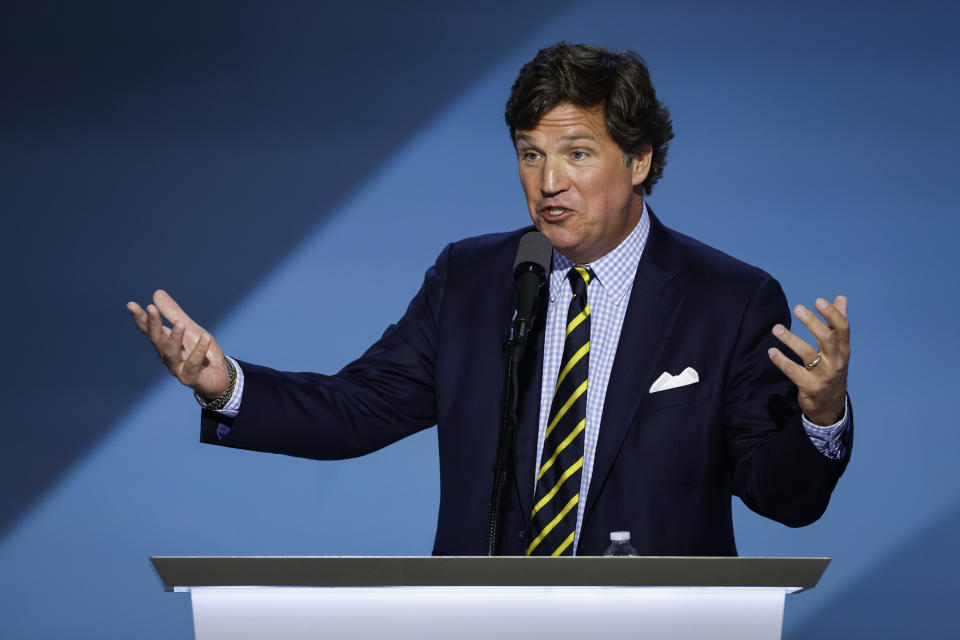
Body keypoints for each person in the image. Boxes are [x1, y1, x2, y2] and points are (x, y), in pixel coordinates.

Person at [128, 43, 851, 557]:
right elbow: (355, 411)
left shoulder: (730, 298)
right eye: (529, 153)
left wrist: (820, 419)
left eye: (576, 153)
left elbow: (782, 497)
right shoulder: (472, 280)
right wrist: (227, 387)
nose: (548, 183)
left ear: (638, 161)